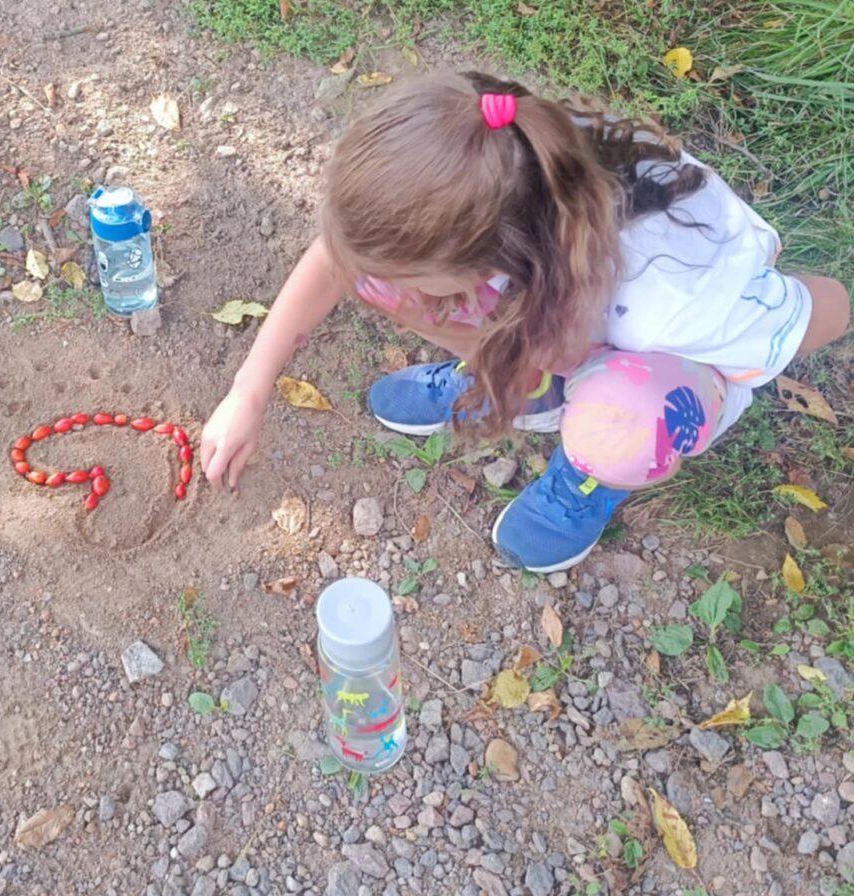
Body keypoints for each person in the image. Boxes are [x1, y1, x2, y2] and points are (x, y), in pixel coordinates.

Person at [199, 69, 849, 573]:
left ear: (493, 258)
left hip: (671, 361)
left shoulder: (675, 304)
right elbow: (339, 258)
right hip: (570, 300)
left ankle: (591, 467)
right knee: (377, 272)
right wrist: (248, 390)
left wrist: (807, 302)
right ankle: (524, 382)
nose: (387, 288)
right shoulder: (496, 162)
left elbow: (821, 312)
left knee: (623, 417)